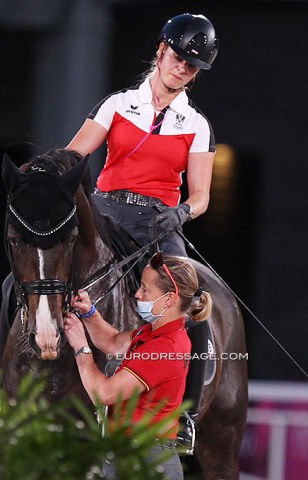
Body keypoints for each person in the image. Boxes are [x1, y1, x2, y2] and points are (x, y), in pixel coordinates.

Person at [66, 13, 219, 454]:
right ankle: (1, 390)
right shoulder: (116, 105)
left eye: (192, 67)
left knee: (194, 304)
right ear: (161, 51)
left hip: (157, 224)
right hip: (105, 211)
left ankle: (184, 414)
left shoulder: (197, 125)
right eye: (177, 58)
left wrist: (181, 213)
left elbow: (203, 195)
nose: (182, 69)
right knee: (21, 280)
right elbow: (76, 154)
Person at [64, 252, 212, 480]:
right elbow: (112, 342)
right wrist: (90, 313)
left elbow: (102, 393)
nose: (137, 294)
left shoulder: (164, 348)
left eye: (145, 289)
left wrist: (80, 347)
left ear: (170, 299)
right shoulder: (155, 332)